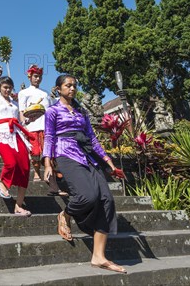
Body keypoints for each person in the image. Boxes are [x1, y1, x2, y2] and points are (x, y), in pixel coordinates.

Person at [42, 74, 127, 274]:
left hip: (87, 155)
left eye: (74, 86)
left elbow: (93, 139)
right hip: (65, 153)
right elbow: (49, 136)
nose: (72, 89)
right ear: (58, 88)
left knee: (106, 200)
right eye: (67, 85)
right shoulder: (53, 111)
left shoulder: (81, 112)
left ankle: (98, 256)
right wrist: (47, 164)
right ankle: (66, 213)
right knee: (87, 196)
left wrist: (108, 162)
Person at [0, 76, 33, 216]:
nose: (7, 90)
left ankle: (18, 206)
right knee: (10, 163)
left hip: (17, 135)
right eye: (5, 87)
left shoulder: (15, 104)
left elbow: (21, 123)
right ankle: (2, 183)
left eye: (9, 87)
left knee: (25, 168)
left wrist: (30, 119)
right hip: (1, 135)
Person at [18, 65, 67, 196]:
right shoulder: (24, 93)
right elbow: (22, 111)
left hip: (47, 127)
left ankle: (51, 178)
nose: (37, 78)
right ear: (29, 77)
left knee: (49, 153)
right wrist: (24, 125)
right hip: (32, 126)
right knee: (34, 152)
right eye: (35, 76)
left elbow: (51, 111)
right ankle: (36, 173)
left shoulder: (45, 94)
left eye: (39, 76)